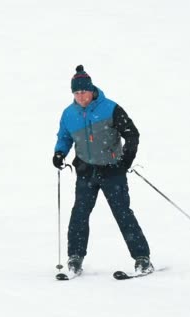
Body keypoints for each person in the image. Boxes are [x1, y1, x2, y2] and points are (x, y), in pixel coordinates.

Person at [52, 65, 153, 275]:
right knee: (79, 214)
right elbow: (64, 136)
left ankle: (142, 258)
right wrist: (59, 153)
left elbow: (132, 134)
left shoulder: (110, 108)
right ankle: (75, 258)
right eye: (76, 92)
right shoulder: (69, 114)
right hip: (86, 171)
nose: (80, 96)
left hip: (112, 171)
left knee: (123, 213)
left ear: (91, 90)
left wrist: (126, 160)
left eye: (83, 91)